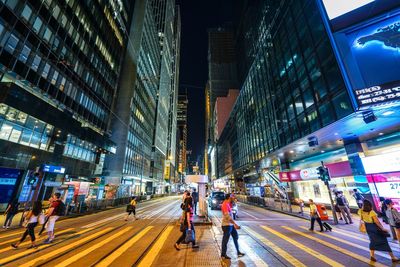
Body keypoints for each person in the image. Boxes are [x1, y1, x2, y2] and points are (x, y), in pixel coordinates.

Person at [220, 193, 245, 260]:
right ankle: (223, 254)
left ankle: (238, 252)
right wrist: (235, 224)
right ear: (229, 198)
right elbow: (228, 217)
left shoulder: (228, 204)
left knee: (235, 237)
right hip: (226, 225)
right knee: (225, 240)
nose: (233, 198)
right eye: (231, 197)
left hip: (230, 225)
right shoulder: (225, 205)